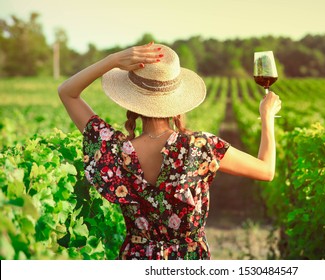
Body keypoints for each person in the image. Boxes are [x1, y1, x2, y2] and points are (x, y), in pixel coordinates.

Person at [58, 42, 282, 260]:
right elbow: (266, 171)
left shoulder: (114, 149)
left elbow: (67, 92)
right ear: (178, 101)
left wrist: (113, 60)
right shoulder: (201, 146)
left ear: (131, 102)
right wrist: (267, 116)